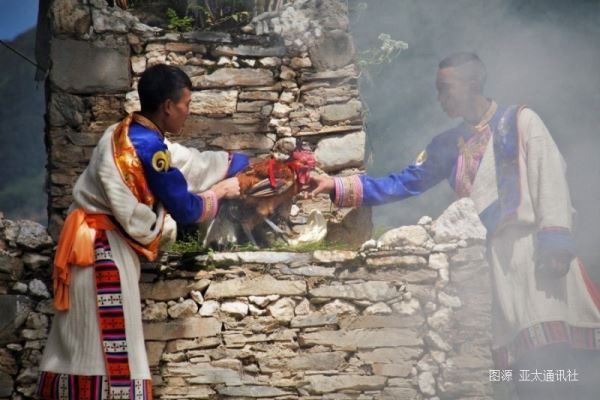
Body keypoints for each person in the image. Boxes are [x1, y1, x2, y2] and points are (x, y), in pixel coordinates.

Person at [309, 52, 600, 399]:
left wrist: (556, 242)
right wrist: (339, 187)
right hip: (498, 264)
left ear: (473, 84)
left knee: (559, 362)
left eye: (446, 89)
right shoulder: (448, 145)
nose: (440, 98)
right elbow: (405, 182)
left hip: (537, 255)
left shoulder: (520, 121)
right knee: (527, 371)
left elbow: (549, 175)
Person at [37, 64, 248, 399]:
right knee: (110, 358)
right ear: (167, 106)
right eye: (186, 105)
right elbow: (185, 208)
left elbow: (191, 164)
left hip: (86, 251)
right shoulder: (148, 150)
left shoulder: (127, 134)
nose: (187, 113)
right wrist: (220, 192)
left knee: (79, 349)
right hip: (101, 259)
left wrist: (240, 161)